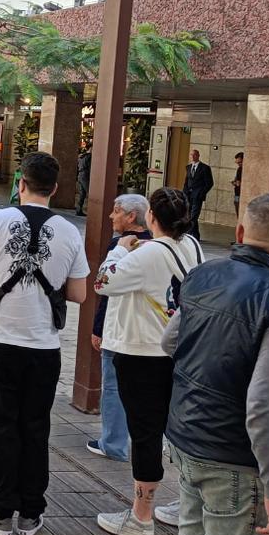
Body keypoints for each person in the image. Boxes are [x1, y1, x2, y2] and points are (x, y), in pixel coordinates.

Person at [163, 194, 269, 535]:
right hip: (235, 457)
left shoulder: (202, 275)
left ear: (240, 231)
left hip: (186, 434)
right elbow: (266, 402)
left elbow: (169, 341)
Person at [0, 151, 89, 535]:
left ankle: (0, 511)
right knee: (35, 427)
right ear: (54, 188)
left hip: (0, 338)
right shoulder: (69, 231)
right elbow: (80, 294)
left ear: (21, 183)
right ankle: (31, 512)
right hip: (44, 345)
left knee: (0, 426)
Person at [94, 187, 204, 535]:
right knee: (178, 431)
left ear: (151, 218)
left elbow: (102, 283)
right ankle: (189, 504)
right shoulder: (192, 246)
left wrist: (117, 251)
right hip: (177, 351)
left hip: (140, 350)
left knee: (144, 433)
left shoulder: (146, 253)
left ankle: (141, 516)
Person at [86, 194, 152, 462]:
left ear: (131, 216)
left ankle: (113, 443)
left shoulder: (121, 246)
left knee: (113, 386)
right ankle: (144, 442)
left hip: (118, 328)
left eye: (116, 212)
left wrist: (98, 328)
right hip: (148, 332)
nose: (112, 216)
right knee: (145, 389)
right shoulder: (158, 244)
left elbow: (104, 288)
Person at [183, 149, 214, 239]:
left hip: (198, 196)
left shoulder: (205, 168)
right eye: (191, 155)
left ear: (198, 156)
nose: (192, 157)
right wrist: (184, 193)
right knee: (189, 215)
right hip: (188, 195)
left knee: (193, 216)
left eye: (194, 155)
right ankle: (196, 236)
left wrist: (201, 193)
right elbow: (186, 181)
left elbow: (209, 183)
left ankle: (187, 235)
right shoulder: (188, 167)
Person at [75, 149, 91, 216]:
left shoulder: (82, 156)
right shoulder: (89, 156)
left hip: (80, 175)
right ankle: (93, 210)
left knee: (82, 194)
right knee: (89, 192)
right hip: (85, 175)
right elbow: (90, 167)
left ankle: (78, 210)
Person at [232, 152, 244, 217]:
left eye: (240, 162)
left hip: (242, 194)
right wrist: (235, 182)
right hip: (237, 193)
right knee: (238, 212)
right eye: (237, 163)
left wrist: (239, 183)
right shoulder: (239, 169)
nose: (238, 164)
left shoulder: (245, 169)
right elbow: (237, 180)